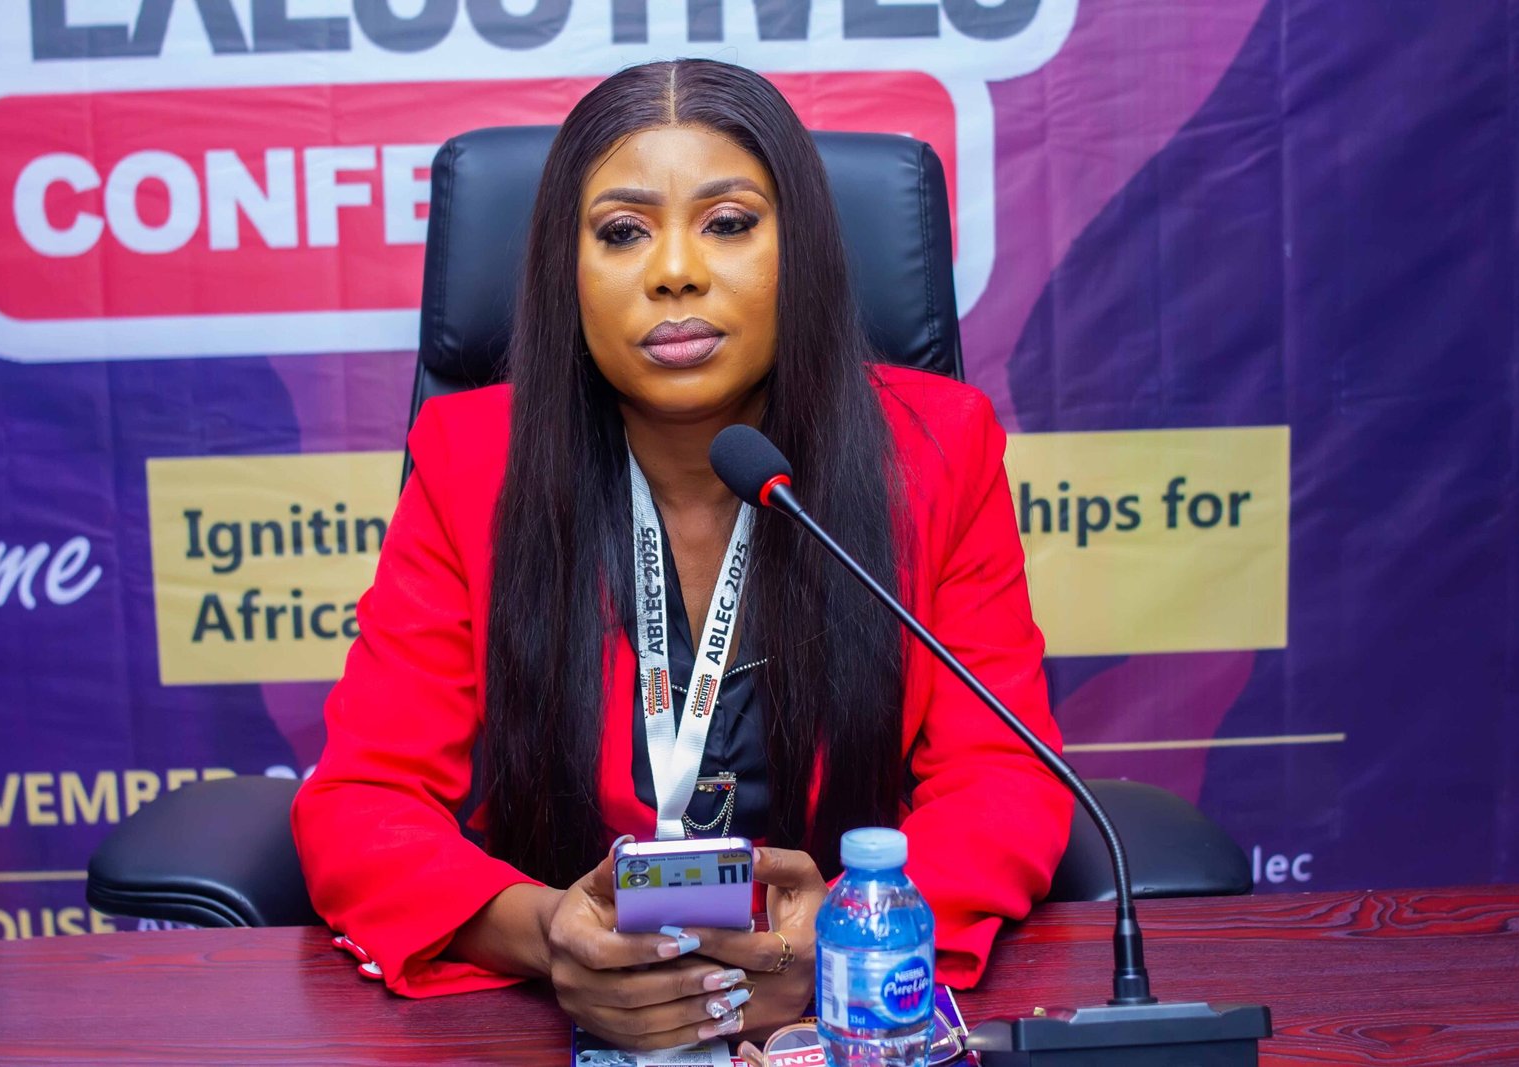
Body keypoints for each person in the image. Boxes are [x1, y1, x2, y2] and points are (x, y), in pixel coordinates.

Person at [291, 57, 1072, 1052]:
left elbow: (1004, 777)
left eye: (729, 222)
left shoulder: (935, 452)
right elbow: (362, 804)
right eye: (622, 231)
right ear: (566, 272)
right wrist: (548, 934)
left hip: (837, 1030)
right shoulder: (471, 462)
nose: (673, 270)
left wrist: (844, 933)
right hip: (552, 1031)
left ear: (803, 252)